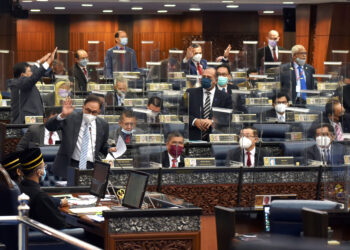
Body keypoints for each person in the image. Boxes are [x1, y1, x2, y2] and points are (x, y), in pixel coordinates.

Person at [45, 95, 110, 178]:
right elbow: (49, 126)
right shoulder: (70, 117)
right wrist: (62, 115)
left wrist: (109, 149)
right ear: (83, 107)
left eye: (94, 112)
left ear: (99, 112)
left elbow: (103, 145)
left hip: (91, 167)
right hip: (70, 165)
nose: (90, 114)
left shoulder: (103, 125)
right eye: (88, 110)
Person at [19, 148, 68, 229]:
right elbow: (61, 225)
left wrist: (59, 201)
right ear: (39, 172)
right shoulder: (40, 196)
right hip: (46, 239)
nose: (44, 170)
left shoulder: (20, 187)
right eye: (44, 167)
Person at [9, 48, 57, 124]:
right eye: (29, 72)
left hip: (33, 121)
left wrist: (41, 61)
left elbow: (33, 70)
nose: (31, 73)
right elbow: (34, 76)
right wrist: (49, 61)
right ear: (22, 75)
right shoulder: (20, 83)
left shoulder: (20, 81)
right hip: (26, 124)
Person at [187, 67, 232, 141]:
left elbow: (228, 117)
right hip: (193, 137)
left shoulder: (225, 97)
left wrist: (213, 121)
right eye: (204, 77)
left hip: (215, 138)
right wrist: (195, 121)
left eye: (209, 77)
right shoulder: (190, 93)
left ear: (216, 80)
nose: (205, 79)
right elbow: (182, 113)